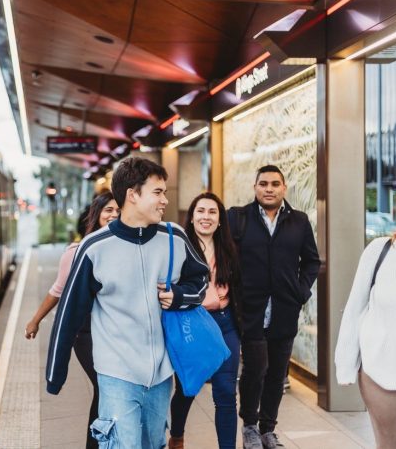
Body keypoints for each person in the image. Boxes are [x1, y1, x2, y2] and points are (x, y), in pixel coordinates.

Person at [45, 157, 209, 449]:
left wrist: (179, 296)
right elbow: (69, 313)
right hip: (116, 373)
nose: (164, 200)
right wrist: (55, 374)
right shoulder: (95, 248)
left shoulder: (174, 238)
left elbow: (201, 281)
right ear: (132, 195)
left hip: (161, 374)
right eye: (157, 192)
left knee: (153, 443)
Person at [335, 183, 396, 449]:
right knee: (390, 445)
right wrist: (344, 364)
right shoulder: (380, 250)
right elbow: (355, 308)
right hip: (382, 367)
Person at [228, 164, 320, 449]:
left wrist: (300, 293)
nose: (269, 189)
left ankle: (268, 429)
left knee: (277, 374)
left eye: (275, 184)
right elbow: (226, 258)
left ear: (284, 188)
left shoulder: (299, 221)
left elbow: (312, 261)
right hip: (250, 311)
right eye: (264, 184)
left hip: (284, 311)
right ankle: (250, 427)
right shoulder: (238, 218)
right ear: (255, 187)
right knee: (255, 370)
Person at [25, 191, 119, 449]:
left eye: (118, 211)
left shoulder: (125, 248)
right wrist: (35, 320)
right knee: (104, 386)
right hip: (86, 333)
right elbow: (57, 290)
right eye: (108, 210)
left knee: (107, 391)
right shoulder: (78, 251)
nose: (113, 215)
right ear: (96, 214)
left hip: (114, 332)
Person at [168, 192, 242, 449]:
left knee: (226, 393)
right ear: (192, 217)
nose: (206, 217)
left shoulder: (229, 249)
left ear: (220, 219)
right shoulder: (180, 247)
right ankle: (177, 435)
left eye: (212, 212)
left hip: (225, 323)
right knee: (188, 388)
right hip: (194, 323)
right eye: (201, 211)